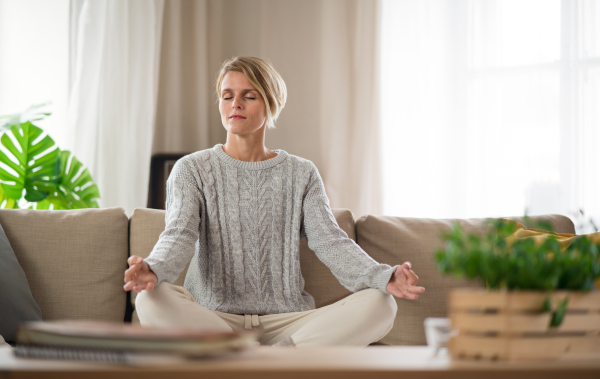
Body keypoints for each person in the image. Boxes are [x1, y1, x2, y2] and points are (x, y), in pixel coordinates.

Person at [124, 56, 425, 347]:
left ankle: (268, 357)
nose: (235, 104)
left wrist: (382, 276)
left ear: (271, 102)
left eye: (249, 96)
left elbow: (330, 241)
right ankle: (253, 357)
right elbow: (179, 235)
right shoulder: (191, 169)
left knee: (381, 304)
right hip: (214, 318)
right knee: (150, 299)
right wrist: (154, 267)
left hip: (289, 321)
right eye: (227, 96)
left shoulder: (301, 172)